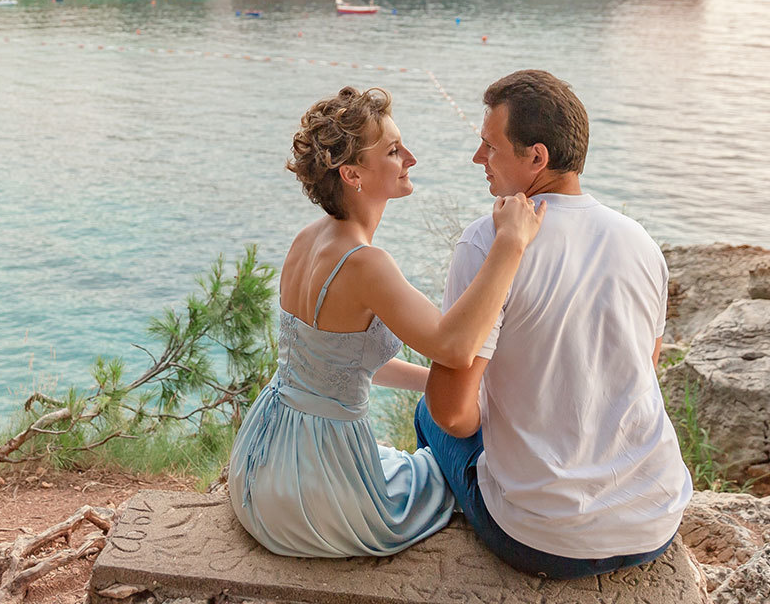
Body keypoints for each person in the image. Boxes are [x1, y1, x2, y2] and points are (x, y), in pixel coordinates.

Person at [228, 85, 544, 558]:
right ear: (352, 173)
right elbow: (455, 347)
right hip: (312, 489)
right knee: (439, 476)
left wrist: (443, 387)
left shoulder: (307, 241)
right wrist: (509, 245)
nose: (411, 158)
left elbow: (339, 363)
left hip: (263, 458)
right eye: (395, 151)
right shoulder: (365, 263)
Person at [417, 69, 692, 579]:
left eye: (490, 147)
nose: (478, 159)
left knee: (427, 413)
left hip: (542, 542)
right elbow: (642, 374)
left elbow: (455, 415)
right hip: (655, 520)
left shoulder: (486, 243)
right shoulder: (641, 243)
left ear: (536, 157)